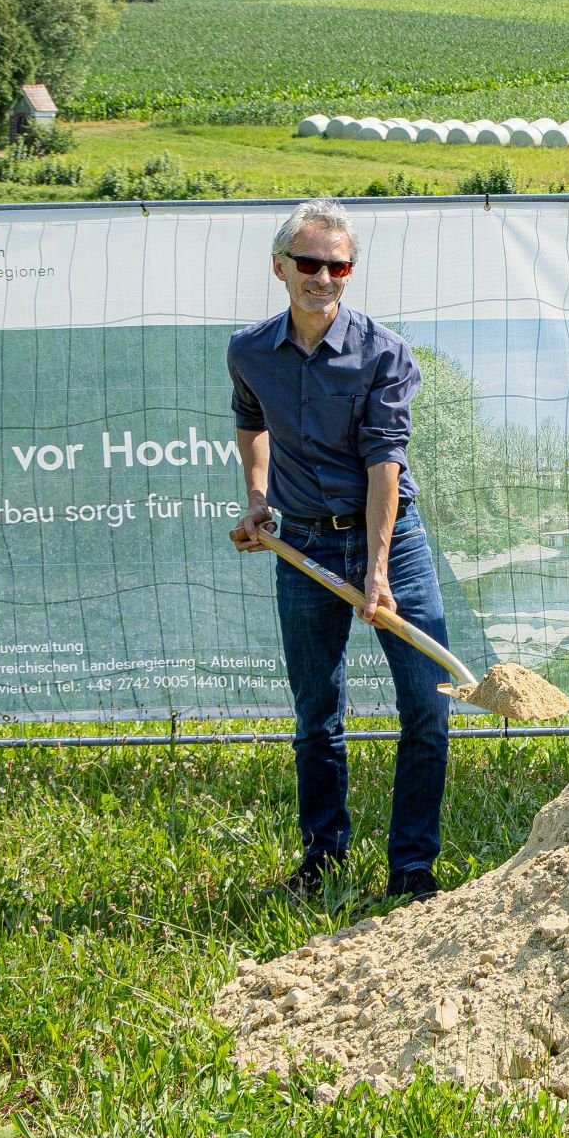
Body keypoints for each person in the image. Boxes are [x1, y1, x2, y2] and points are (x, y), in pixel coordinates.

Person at [228, 199, 450, 904]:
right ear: (280, 267)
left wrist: (378, 571)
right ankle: (323, 857)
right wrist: (258, 497)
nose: (323, 277)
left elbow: (385, 464)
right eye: (309, 263)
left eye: (338, 266)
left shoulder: (384, 353)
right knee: (316, 712)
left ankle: (411, 866)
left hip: (393, 541)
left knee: (427, 706)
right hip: (303, 544)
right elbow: (251, 419)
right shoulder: (248, 351)